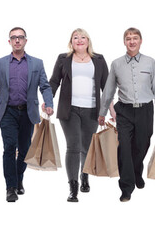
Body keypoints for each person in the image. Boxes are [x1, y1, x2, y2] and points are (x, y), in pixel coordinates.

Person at [0, 27, 54, 202]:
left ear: (26, 40)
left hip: (28, 112)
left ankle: (19, 178)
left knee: (25, 150)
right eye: (14, 38)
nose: (17, 40)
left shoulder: (37, 63)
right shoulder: (0, 63)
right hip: (8, 112)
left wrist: (49, 104)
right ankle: (10, 187)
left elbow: (45, 86)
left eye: (20, 37)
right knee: (9, 147)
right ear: (9, 41)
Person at [98, 27, 155, 202]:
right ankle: (126, 187)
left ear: (140, 41)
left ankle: (137, 171)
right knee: (125, 149)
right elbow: (108, 90)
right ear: (124, 42)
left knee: (142, 145)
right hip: (125, 111)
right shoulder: (116, 64)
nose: (132, 41)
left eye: (135, 38)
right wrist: (102, 112)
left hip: (145, 110)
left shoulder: (150, 62)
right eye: (128, 38)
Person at [48, 28, 109, 202]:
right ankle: (73, 187)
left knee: (87, 146)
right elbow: (53, 82)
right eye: (76, 37)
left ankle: (84, 176)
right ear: (71, 42)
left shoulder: (99, 59)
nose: (79, 40)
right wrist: (48, 100)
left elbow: (107, 87)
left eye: (83, 37)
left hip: (92, 110)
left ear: (88, 41)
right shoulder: (63, 59)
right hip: (69, 110)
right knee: (73, 146)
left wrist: (111, 109)